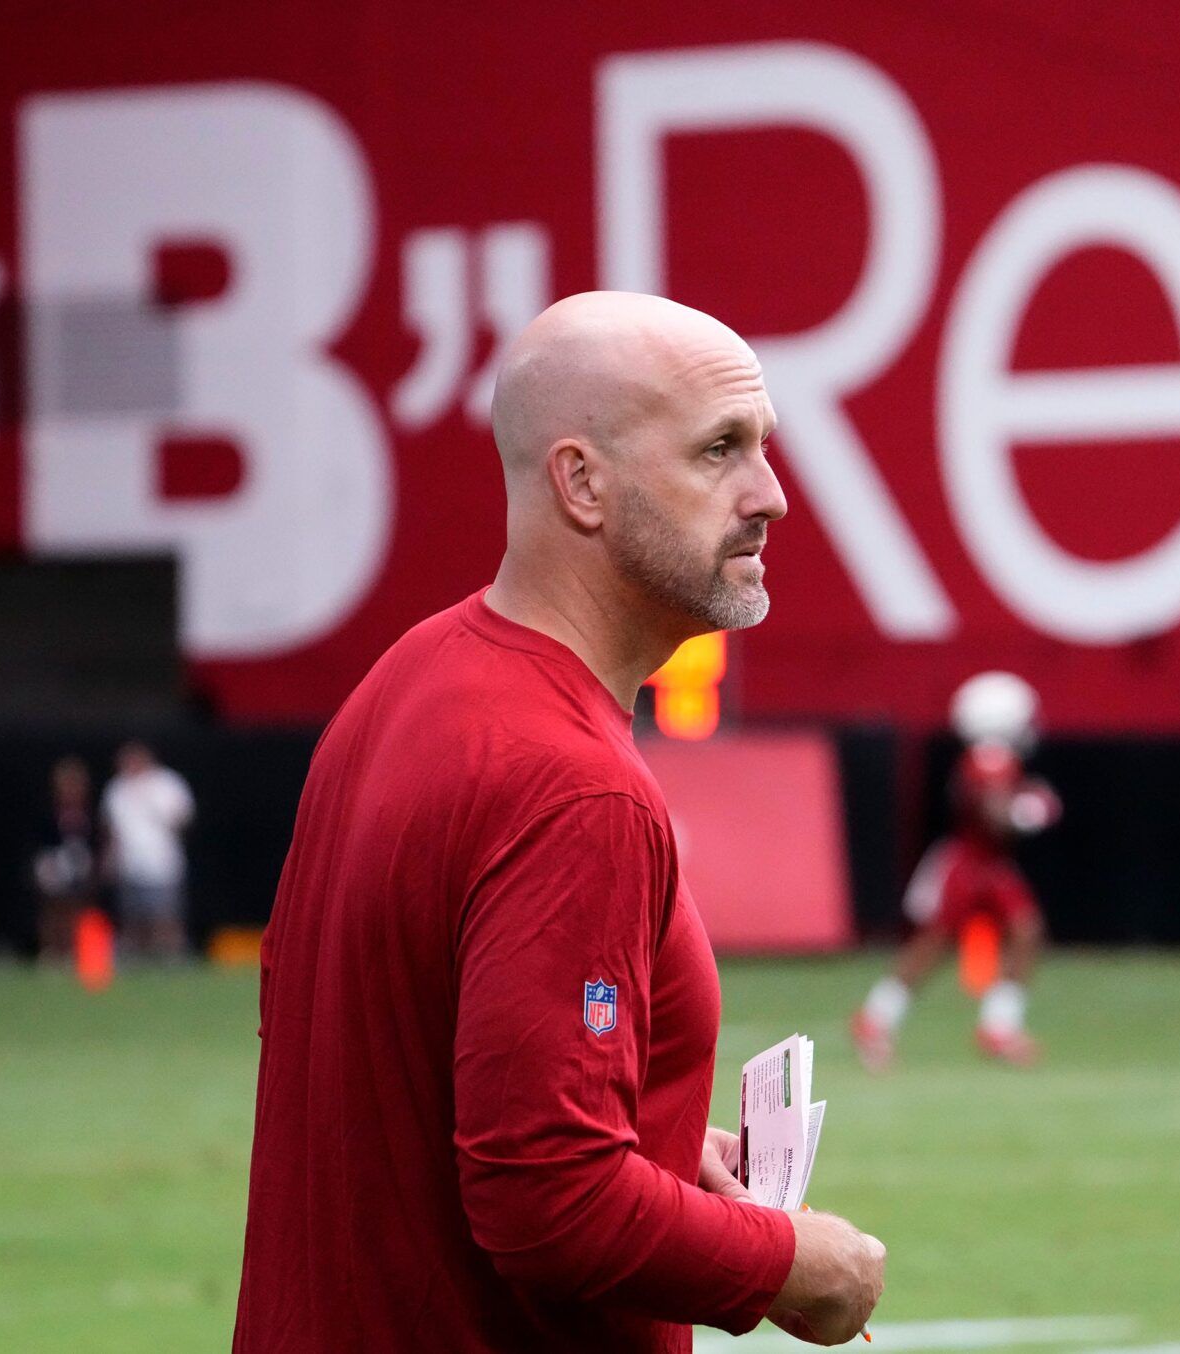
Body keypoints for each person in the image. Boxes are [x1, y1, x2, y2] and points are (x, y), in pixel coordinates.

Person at [234, 292, 885, 1351]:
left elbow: (425, 1094)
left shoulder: (405, 682)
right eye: (721, 449)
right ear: (582, 482)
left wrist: (669, 1159)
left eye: (763, 447)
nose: (770, 495)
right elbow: (546, 1196)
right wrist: (797, 1262)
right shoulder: (575, 787)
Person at [852, 671, 1060, 1070]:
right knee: (932, 946)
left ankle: (999, 1026)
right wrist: (1028, 810)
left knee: (1025, 931)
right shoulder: (987, 761)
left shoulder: (994, 760)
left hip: (992, 864)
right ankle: (874, 1019)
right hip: (965, 864)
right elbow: (995, 815)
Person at [100, 741, 194, 961]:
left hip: (162, 863)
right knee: (132, 917)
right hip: (130, 864)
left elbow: (183, 818)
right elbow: (111, 829)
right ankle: (137, 959)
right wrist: (109, 860)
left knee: (165, 914)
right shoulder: (117, 789)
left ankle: (170, 957)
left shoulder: (166, 783)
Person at [32, 756, 98, 962]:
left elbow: (95, 839)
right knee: (53, 908)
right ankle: (51, 952)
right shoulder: (48, 811)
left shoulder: (89, 812)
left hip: (80, 863)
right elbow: (40, 841)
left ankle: (74, 950)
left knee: (77, 908)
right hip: (53, 862)